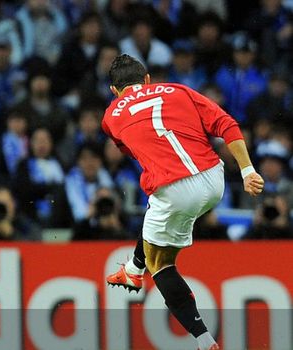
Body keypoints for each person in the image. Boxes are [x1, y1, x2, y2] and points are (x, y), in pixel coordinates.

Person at [102, 54, 264, 350]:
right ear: (148, 79)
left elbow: (130, 150)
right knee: (154, 218)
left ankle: (203, 340)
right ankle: (134, 269)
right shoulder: (178, 90)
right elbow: (226, 124)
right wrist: (247, 170)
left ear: (114, 91)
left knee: (160, 263)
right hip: (214, 179)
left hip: (173, 189)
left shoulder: (110, 116)